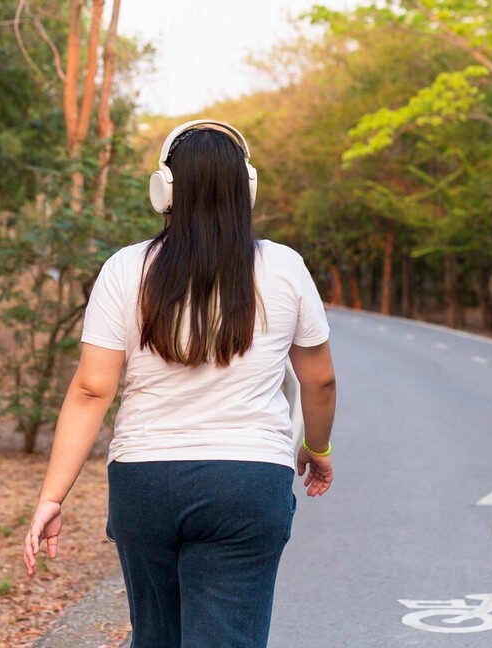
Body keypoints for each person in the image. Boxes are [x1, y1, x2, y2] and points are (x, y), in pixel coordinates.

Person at [22, 120, 337, 648]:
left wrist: (52, 496)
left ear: (163, 190)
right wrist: (317, 446)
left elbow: (91, 391)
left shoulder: (126, 269)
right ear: (248, 188)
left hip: (146, 484)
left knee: (156, 637)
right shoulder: (285, 268)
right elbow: (320, 380)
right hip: (248, 481)